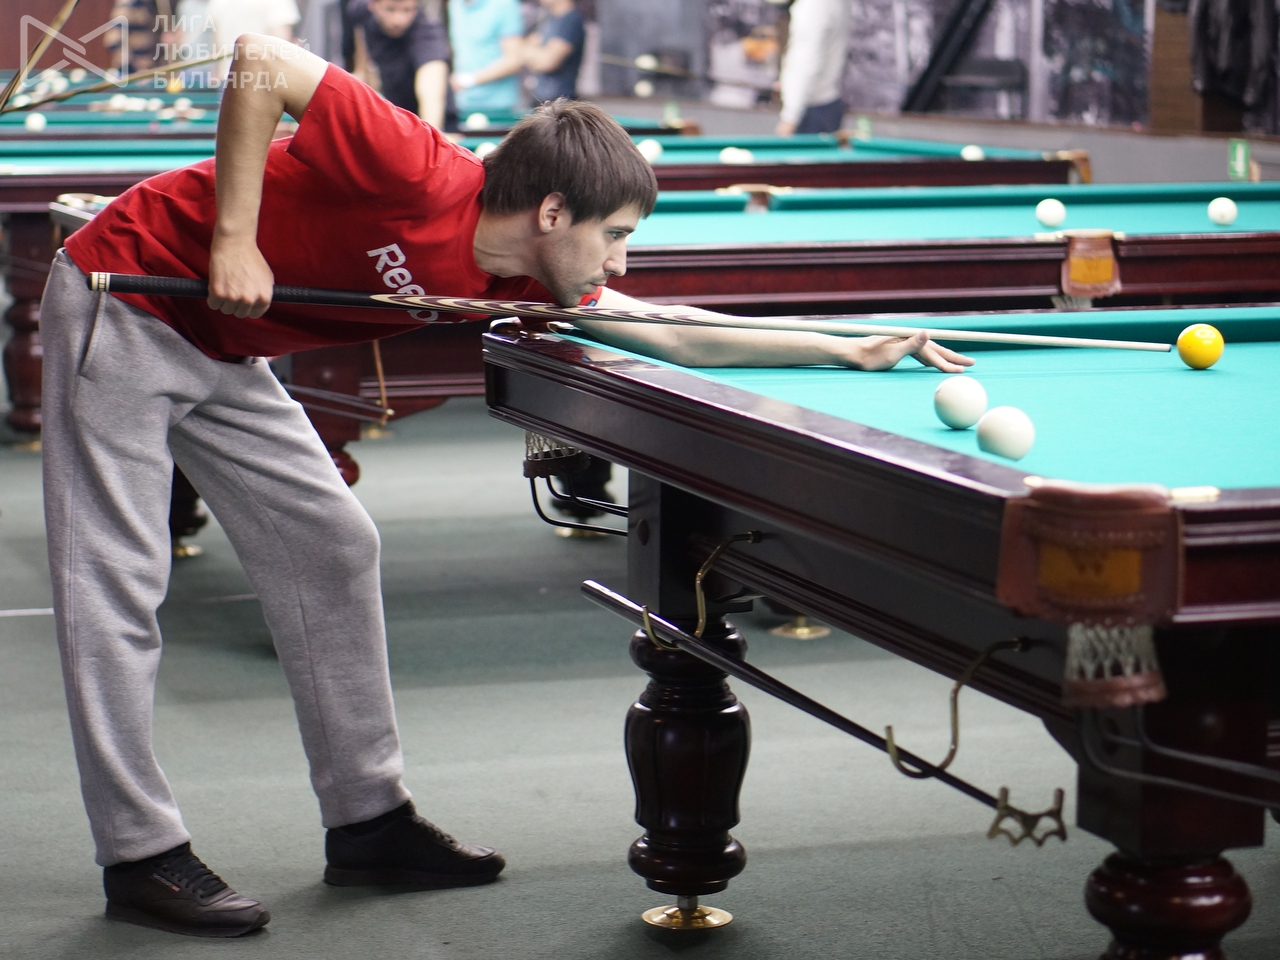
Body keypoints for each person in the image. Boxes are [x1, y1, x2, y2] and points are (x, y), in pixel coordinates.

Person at [42, 34, 969, 940]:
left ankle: (369, 822)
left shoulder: (527, 281)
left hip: (224, 346)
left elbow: (668, 330)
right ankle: (139, 851)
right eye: (615, 236)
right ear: (555, 212)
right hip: (131, 295)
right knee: (116, 581)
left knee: (334, 544)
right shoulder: (419, 167)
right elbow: (259, 61)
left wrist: (843, 346)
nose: (619, 262)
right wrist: (235, 241)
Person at [349, 0, 450, 127]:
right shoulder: (361, 11)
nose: (399, 20)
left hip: (430, 123)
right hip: (396, 117)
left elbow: (431, 95)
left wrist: (431, 135)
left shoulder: (427, 33)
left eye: (407, 10)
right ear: (372, 6)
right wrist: (360, 70)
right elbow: (360, 29)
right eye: (390, 9)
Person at [775, 0, 851, 136]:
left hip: (810, 110)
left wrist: (790, 117)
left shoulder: (813, 7)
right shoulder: (834, 4)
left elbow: (807, 62)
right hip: (824, 105)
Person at [447, 0, 525, 116]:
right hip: (462, 104)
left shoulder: (504, 4)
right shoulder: (455, 4)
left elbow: (514, 60)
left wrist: (468, 80)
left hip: (498, 106)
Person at [203, 0, 300, 79]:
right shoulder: (277, 2)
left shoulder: (217, 3)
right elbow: (280, 49)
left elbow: (216, 51)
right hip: (263, 81)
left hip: (227, 81)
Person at [524, 0, 585, 104]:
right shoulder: (550, 19)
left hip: (559, 101)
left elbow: (548, 62)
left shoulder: (570, 21)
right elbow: (522, 48)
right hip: (541, 98)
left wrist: (531, 54)